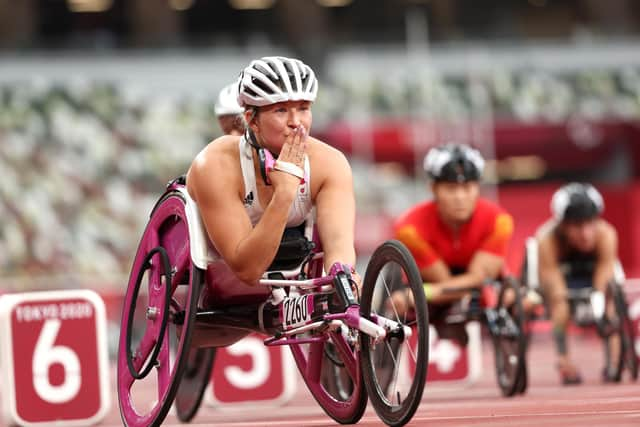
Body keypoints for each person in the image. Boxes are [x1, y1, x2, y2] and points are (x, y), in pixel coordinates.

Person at [186, 56, 358, 286]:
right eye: (280, 110)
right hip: (228, 267)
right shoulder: (214, 165)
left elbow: (339, 246)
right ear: (252, 120)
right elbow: (248, 271)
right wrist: (285, 192)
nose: (296, 122)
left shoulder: (330, 163)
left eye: (303, 108)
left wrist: (343, 276)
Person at [391, 143, 514, 339]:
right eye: (450, 188)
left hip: (457, 285)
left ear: (478, 187)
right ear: (433, 188)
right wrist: (425, 294)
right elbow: (444, 280)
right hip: (433, 280)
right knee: (399, 301)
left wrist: (428, 292)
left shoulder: (499, 222)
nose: (460, 197)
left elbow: (478, 278)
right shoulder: (410, 228)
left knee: (517, 298)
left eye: (467, 187)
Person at [535, 182, 620, 384]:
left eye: (590, 223)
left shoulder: (606, 234)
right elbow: (552, 281)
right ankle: (564, 362)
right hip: (561, 278)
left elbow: (605, 274)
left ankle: (614, 362)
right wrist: (560, 299)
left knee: (610, 304)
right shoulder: (546, 239)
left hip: (592, 276)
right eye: (577, 225)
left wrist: (598, 303)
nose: (585, 233)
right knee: (561, 307)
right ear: (562, 225)